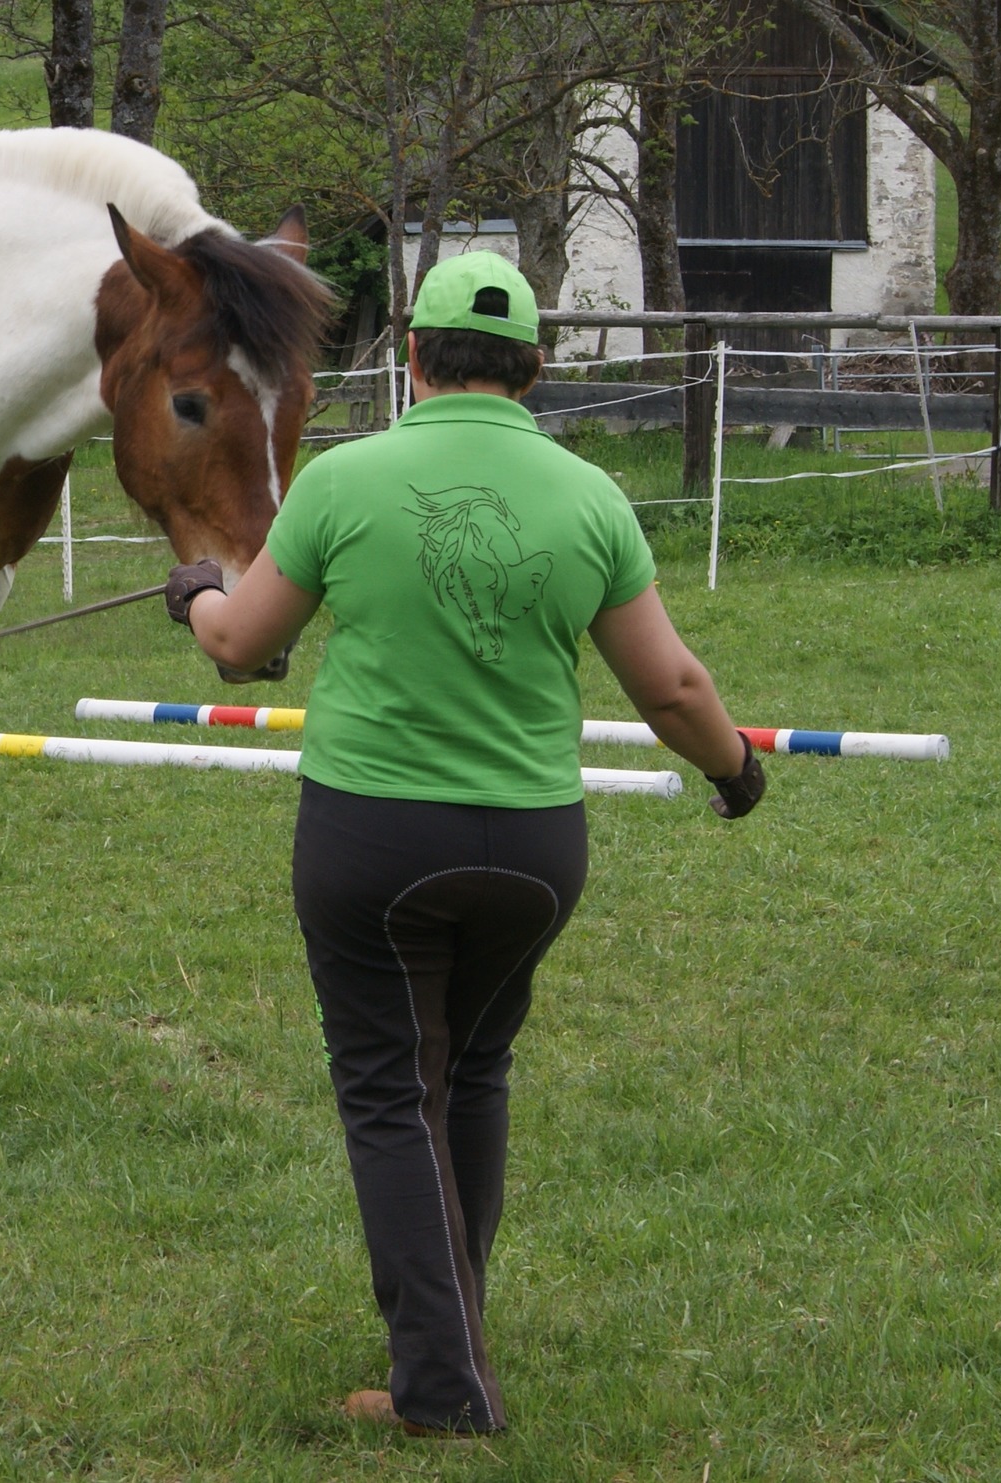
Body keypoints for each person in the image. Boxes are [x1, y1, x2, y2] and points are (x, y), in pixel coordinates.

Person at [164, 251, 765, 1439]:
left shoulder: (345, 480)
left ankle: (440, 1385)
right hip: (535, 853)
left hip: (374, 841)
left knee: (390, 1093)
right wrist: (735, 774)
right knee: (471, 1074)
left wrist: (192, 590)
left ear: (413, 357)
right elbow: (672, 684)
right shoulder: (590, 497)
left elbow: (240, 645)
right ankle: (454, 1332)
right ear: (535, 369)